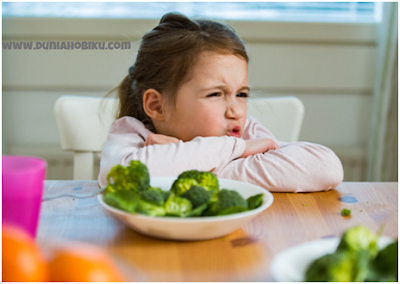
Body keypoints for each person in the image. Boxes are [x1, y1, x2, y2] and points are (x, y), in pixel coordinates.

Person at [98, 12, 343, 192]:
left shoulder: (247, 132)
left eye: (242, 94)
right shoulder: (132, 135)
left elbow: (326, 168)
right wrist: (236, 151)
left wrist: (177, 167)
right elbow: (117, 179)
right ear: (157, 106)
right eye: (215, 94)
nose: (236, 111)